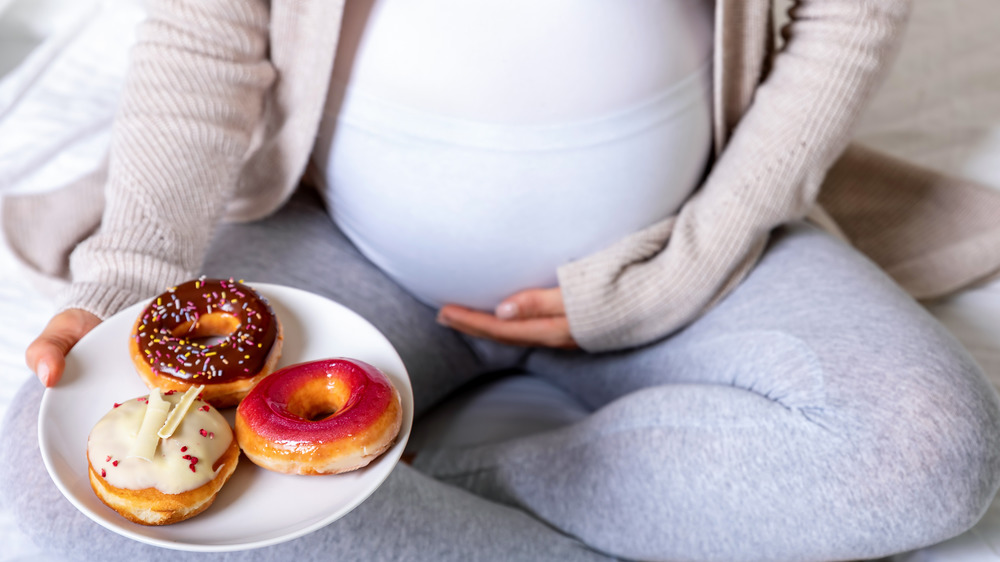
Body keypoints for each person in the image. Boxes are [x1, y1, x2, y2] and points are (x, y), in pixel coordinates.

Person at [4, 0, 1000, 560]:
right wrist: (133, 277)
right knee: (57, 484)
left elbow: (848, 16)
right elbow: (204, 35)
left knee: (925, 453)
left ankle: (481, 476)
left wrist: (692, 259)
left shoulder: (690, 258)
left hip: (676, 247)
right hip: (355, 248)